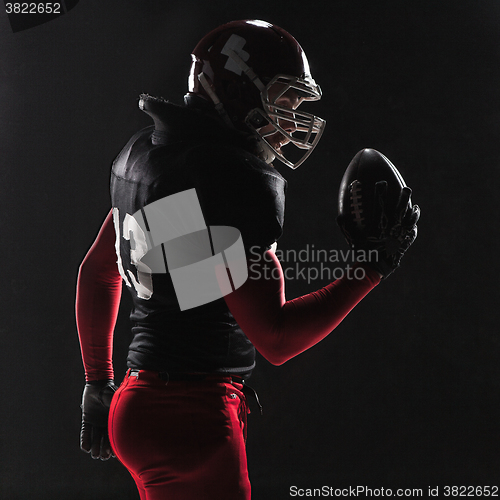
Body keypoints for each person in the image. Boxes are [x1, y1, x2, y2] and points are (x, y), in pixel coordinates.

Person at [76, 19, 419, 500]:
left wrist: (97, 381)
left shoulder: (145, 154)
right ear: (236, 90)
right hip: (191, 416)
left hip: (135, 404)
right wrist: (371, 269)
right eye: (284, 102)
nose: (292, 120)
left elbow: (97, 273)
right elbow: (275, 338)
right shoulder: (234, 182)